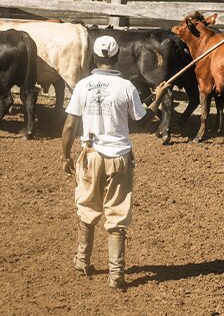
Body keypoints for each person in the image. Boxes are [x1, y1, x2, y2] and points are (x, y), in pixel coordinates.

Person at [60, 34, 149, 290]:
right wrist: (158, 97)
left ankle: (82, 260)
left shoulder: (83, 86)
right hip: (119, 156)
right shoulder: (127, 88)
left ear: (96, 57)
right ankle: (116, 275)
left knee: (87, 207)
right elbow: (142, 120)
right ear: (117, 56)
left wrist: (65, 155)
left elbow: (69, 125)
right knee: (117, 214)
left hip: (90, 155)